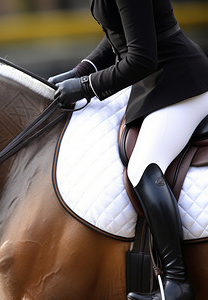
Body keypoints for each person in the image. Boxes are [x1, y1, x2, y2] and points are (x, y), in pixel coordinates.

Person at [48, 0, 208, 299]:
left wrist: (86, 86)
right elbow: (119, 36)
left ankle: (177, 282)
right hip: (154, 86)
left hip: (181, 85)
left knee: (143, 167)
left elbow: (141, 59)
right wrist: (80, 71)